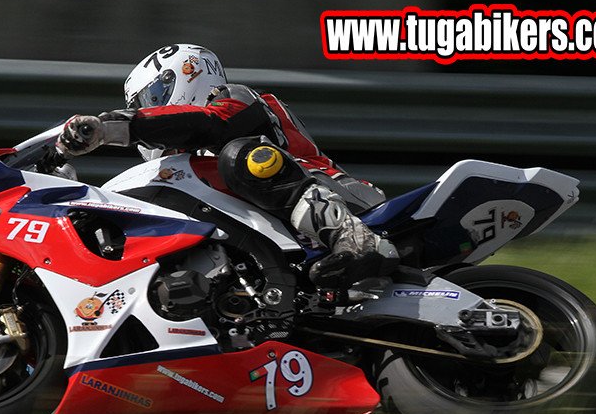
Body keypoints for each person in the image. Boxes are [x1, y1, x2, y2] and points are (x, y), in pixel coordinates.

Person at [56, 43, 397, 291]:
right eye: (144, 106)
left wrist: (116, 126)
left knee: (240, 157)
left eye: (155, 98)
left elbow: (207, 123)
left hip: (345, 199)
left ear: (189, 74)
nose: (152, 110)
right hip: (277, 235)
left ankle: (354, 239)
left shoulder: (238, 99)